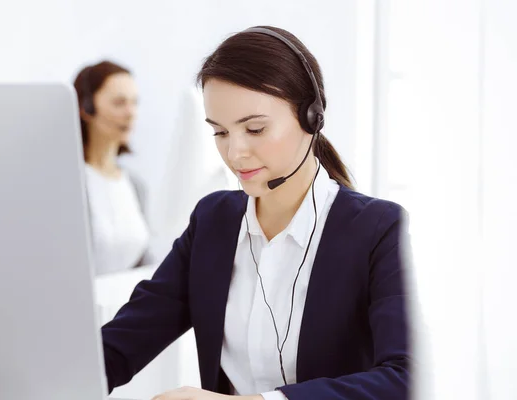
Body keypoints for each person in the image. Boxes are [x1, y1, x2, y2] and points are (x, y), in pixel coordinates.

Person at [101, 26, 412, 400]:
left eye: (254, 129)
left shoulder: (377, 229)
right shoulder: (212, 222)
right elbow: (118, 348)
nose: (235, 154)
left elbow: (404, 379)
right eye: (220, 133)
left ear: (311, 118)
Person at [73, 61, 153, 275]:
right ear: (86, 108)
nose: (131, 113)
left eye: (135, 102)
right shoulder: (70, 183)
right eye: (119, 103)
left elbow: (144, 263)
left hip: (128, 305)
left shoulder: (135, 185)